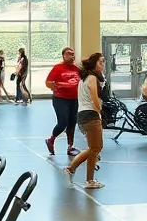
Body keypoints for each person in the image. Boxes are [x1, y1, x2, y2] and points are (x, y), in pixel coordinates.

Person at [65, 54, 105, 190]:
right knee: (95, 148)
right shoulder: (92, 78)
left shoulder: (85, 79)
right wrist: (100, 112)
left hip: (82, 115)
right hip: (90, 115)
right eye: (100, 62)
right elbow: (94, 98)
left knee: (95, 148)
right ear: (94, 65)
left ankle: (79, 173)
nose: (103, 65)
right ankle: (82, 175)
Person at [45, 48, 81, 157]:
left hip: (74, 99)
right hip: (60, 99)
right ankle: (51, 140)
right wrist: (57, 87)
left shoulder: (76, 69)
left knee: (72, 123)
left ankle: (70, 147)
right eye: (69, 54)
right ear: (63, 56)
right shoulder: (58, 68)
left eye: (73, 54)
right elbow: (48, 82)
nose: (72, 56)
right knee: (63, 122)